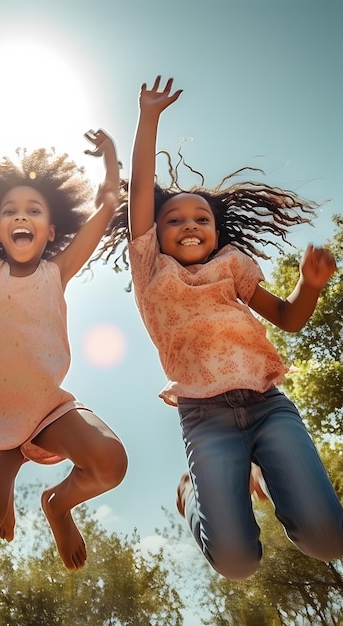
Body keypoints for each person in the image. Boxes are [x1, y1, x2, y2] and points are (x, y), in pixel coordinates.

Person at [119, 76, 343, 580]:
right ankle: (190, 490)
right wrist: (149, 117)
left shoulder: (232, 267)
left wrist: (308, 286)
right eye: (175, 220)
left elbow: (288, 318)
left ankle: (264, 470)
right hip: (206, 418)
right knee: (237, 563)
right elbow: (138, 192)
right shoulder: (151, 269)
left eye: (202, 218)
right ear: (157, 232)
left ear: (217, 232)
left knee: (328, 541)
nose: (191, 224)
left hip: (267, 405)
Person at [0, 105, 128, 570]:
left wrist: (111, 156)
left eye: (33, 210)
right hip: (0, 419)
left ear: (50, 230)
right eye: (10, 211)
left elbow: (107, 206)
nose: (22, 216)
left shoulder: (58, 271)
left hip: (50, 411)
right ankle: (8, 474)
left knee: (110, 462)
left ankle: (58, 504)